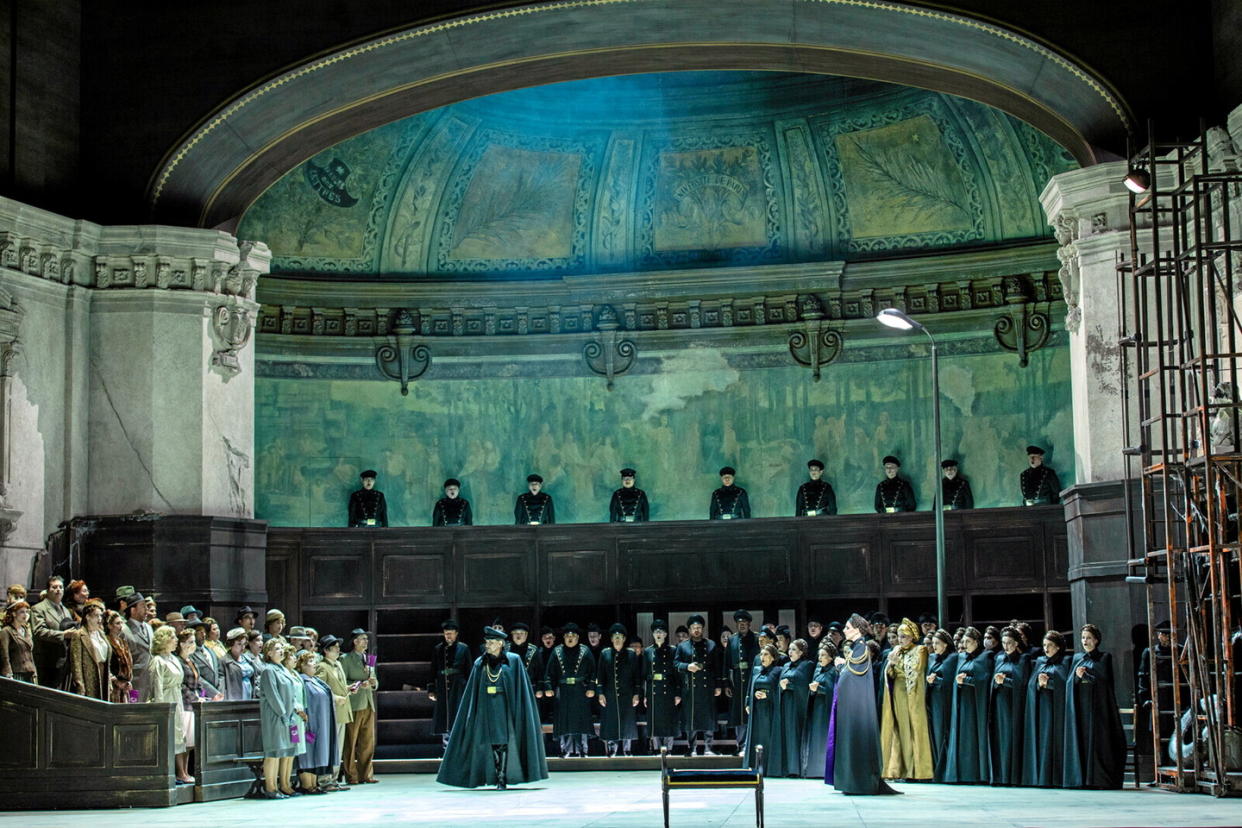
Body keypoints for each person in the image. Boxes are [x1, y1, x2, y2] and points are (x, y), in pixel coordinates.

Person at [437, 626, 548, 789]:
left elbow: (519, 688)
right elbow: (473, 691)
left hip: (506, 708)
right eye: (486, 642)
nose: (487, 645)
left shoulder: (514, 660)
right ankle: (494, 775)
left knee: (503, 741)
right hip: (486, 708)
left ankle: (502, 777)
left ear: (500, 643)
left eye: (491, 642)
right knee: (489, 743)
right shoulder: (480, 663)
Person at [826, 614, 898, 794]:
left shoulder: (861, 648)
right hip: (853, 707)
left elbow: (853, 674)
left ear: (857, 630)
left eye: (848, 628)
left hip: (857, 709)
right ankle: (851, 781)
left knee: (856, 742)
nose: (844, 630)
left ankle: (858, 782)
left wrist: (842, 665)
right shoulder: (857, 648)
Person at [1064, 623, 1126, 789]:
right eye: (1083, 638)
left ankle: (1097, 779)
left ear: (1096, 640)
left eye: (1089, 638)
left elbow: (1104, 681)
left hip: (1097, 707)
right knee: (1082, 739)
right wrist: (1077, 677)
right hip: (1081, 705)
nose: (1085, 641)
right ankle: (1081, 778)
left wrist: (1087, 675)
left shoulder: (1104, 657)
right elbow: (1070, 682)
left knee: (1097, 741)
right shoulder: (1077, 658)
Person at [880, 618, 932, 781]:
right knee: (899, 729)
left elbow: (917, 671)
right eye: (899, 636)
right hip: (898, 693)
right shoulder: (896, 651)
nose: (900, 639)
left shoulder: (920, 650)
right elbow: (890, 675)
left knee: (914, 729)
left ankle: (915, 770)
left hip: (913, 694)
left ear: (912, 637)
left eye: (904, 636)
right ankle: (899, 769)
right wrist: (891, 665)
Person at [256, 637, 306, 798]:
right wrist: (284, 713)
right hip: (276, 717)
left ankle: (284, 784)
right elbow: (273, 696)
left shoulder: (284, 669)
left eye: (281, 648)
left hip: (290, 716)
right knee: (274, 751)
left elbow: (291, 693)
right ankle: (270, 787)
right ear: (269, 653)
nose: (281, 651)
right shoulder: (268, 670)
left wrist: (292, 711)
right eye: (277, 649)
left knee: (289, 749)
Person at [1022, 630, 1070, 787]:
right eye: (1044, 645)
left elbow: (1066, 685)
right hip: (1041, 707)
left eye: (1050, 645)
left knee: (1055, 739)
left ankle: (1057, 777)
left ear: (1058, 647)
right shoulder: (1040, 661)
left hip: (1057, 709)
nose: (1046, 649)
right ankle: (1042, 777)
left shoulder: (1065, 661)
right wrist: (1038, 683)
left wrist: (1048, 683)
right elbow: (1030, 684)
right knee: (1042, 740)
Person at [944, 626, 991, 784]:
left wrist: (967, 680)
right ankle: (963, 774)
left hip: (975, 704)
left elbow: (984, 680)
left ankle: (978, 774)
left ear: (977, 642)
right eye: (963, 641)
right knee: (963, 736)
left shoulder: (985, 657)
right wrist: (960, 681)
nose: (964, 645)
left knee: (974, 736)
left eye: (968, 642)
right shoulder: (962, 657)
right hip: (963, 703)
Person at [543, 622, 596, 757]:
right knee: (563, 721)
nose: (570, 638)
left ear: (577, 637)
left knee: (581, 721)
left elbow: (593, 672)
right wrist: (548, 687)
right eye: (567, 636)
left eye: (572, 636)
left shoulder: (585, 651)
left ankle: (582, 750)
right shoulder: (557, 651)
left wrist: (591, 688)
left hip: (580, 690)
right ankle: (564, 750)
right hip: (563, 689)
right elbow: (549, 673)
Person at [147, 626, 193, 784]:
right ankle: (171, 773)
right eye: (173, 637)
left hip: (176, 698)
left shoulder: (173, 658)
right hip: (166, 699)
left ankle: (182, 772)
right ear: (164, 640)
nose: (176, 641)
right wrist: (161, 709)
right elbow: (156, 687)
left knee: (179, 734)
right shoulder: (158, 661)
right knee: (169, 735)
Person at [988, 626, 1029, 785]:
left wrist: (1005, 681)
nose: (1006, 646)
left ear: (1016, 643)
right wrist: (997, 682)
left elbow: (1023, 683)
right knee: (999, 739)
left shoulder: (1023, 659)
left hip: (1014, 705)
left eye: (1009, 643)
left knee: (1012, 738)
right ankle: (1000, 776)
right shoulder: (999, 658)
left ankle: (1012, 776)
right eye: (1004, 643)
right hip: (999, 702)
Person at [675, 614, 720, 756]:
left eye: (699, 628)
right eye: (694, 628)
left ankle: (708, 747)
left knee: (709, 718)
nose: (696, 630)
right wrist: (687, 666)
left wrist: (718, 685)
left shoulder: (711, 644)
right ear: (689, 629)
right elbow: (675, 664)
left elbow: (716, 667)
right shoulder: (682, 646)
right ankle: (692, 747)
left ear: (703, 629)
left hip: (707, 687)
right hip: (690, 688)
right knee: (690, 719)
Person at [296, 649, 337, 795]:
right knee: (308, 751)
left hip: (321, 723)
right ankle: (307, 784)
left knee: (317, 751)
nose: (315, 665)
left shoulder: (316, 681)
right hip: (309, 725)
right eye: (311, 662)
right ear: (302, 665)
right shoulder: (301, 680)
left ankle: (314, 783)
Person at [596, 623, 641, 756]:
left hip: (627, 694)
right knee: (611, 721)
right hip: (610, 694)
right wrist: (600, 693)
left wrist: (636, 694)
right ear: (611, 639)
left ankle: (627, 749)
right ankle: (612, 749)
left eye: (620, 637)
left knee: (627, 721)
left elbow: (636, 677)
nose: (617, 639)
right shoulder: (605, 653)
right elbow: (600, 676)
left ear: (624, 639)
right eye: (615, 637)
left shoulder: (631, 654)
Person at [341, 628, 379, 784]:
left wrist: (373, 683)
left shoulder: (369, 658)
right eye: (363, 639)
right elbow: (342, 682)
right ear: (355, 641)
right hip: (354, 704)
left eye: (366, 639)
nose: (366, 642)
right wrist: (357, 684)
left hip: (368, 704)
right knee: (351, 741)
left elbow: (374, 679)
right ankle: (351, 775)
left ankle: (366, 774)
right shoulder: (346, 659)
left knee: (367, 741)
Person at [774, 638, 814, 777]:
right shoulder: (785, 666)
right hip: (786, 704)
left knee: (796, 734)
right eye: (789, 649)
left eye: (794, 650)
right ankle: (786, 768)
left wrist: (789, 686)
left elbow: (804, 685)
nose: (790, 652)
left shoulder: (807, 665)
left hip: (798, 705)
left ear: (801, 652)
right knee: (786, 734)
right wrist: (783, 687)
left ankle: (797, 769)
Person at [430, 619, 471, 753]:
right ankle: (447, 749)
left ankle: (460, 748)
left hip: (459, 687)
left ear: (456, 634)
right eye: (446, 633)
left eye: (451, 633)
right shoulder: (438, 649)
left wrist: (469, 690)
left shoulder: (464, 648)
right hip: (443, 687)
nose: (449, 636)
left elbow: (469, 670)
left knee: (458, 714)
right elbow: (433, 670)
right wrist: (431, 689)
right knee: (444, 717)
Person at [723, 610, 759, 755]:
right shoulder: (732, 639)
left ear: (749, 624)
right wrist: (726, 683)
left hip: (752, 677)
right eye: (739, 623)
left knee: (751, 712)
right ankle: (741, 744)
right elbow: (727, 662)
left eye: (744, 623)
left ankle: (752, 745)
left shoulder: (756, 638)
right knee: (739, 714)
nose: (742, 625)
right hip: (737, 681)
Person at [643, 620, 681, 754]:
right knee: (655, 720)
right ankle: (655, 748)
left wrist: (677, 693)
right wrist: (645, 695)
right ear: (653, 635)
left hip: (669, 689)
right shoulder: (647, 651)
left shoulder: (672, 650)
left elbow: (677, 674)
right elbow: (645, 675)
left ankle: (669, 748)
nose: (658, 634)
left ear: (665, 634)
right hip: (653, 690)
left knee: (669, 719)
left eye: (661, 632)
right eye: (656, 632)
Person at [924, 629, 957, 780]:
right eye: (933, 643)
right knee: (935, 734)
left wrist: (936, 680)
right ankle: (936, 768)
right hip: (933, 700)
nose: (935, 646)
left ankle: (944, 770)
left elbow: (951, 683)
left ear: (946, 644)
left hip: (944, 701)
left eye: (938, 643)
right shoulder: (932, 658)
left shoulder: (952, 658)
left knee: (944, 732)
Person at [744, 644, 781, 771]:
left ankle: (768, 767)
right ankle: (754, 764)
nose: (762, 657)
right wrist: (749, 701)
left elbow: (778, 690)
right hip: (756, 708)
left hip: (769, 709)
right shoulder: (756, 670)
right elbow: (750, 687)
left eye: (766, 655)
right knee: (755, 735)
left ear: (773, 657)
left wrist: (767, 694)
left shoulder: (777, 671)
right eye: (761, 655)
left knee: (767, 736)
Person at [30, 575, 72, 687]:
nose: (58, 590)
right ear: (48, 590)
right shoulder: (38, 609)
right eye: (54, 587)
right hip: (47, 662)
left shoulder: (66, 610)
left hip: (64, 661)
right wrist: (63, 635)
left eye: (61, 587)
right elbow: (39, 631)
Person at [805, 641, 838, 778]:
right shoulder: (818, 669)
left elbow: (833, 690)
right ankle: (815, 770)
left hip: (827, 709)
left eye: (823, 655)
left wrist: (819, 689)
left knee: (825, 738)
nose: (820, 658)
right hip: (817, 708)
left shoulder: (833, 671)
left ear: (830, 657)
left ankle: (825, 769)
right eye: (819, 655)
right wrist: (813, 691)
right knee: (816, 738)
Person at [67, 600, 111, 699]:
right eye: (96, 616)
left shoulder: (101, 634)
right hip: (89, 677)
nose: (99, 619)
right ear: (87, 617)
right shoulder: (79, 635)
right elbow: (76, 662)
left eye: (101, 616)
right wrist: (80, 684)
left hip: (103, 674)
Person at [120, 590, 153, 699]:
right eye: (143, 606)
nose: (146, 610)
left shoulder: (148, 628)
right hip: (135, 682)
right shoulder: (124, 631)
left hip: (151, 681)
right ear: (133, 610)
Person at [0, 600, 37, 683]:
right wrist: (8, 674)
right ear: (14, 614)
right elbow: (4, 656)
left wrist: (34, 672)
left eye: (26, 612)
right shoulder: (6, 631)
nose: (25, 615)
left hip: (29, 672)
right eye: (22, 612)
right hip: (17, 673)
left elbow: (30, 653)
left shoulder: (25, 630)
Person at [188, 620, 224, 699]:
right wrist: (213, 692)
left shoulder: (210, 651)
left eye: (204, 631)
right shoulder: (190, 654)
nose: (203, 634)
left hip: (218, 695)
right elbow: (197, 676)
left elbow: (220, 672)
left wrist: (220, 691)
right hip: (202, 694)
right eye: (199, 631)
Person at [221, 627, 255, 701]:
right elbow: (222, 685)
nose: (242, 647)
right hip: (234, 698)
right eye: (239, 644)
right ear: (231, 644)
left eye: (244, 644)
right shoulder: (225, 661)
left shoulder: (248, 659)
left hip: (249, 695)